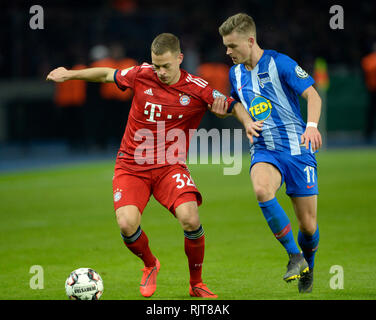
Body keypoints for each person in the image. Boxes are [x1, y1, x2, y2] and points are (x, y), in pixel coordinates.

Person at [46, 33, 254, 299]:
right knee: (126, 225)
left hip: (170, 168)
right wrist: (69, 74)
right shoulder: (142, 74)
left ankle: (196, 283)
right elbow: (106, 75)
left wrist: (242, 120)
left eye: (166, 66)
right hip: (131, 165)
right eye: (157, 66)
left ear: (179, 58)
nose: (161, 72)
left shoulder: (197, 87)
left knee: (190, 219)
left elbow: (231, 105)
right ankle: (150, 264)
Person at [210, 13, 322, 293]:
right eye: (225, 46)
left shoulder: (280, 63)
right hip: (264, 148)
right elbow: (235, 102)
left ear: (250, 40)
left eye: (232, 46)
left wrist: (311, 127)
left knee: (308, 226)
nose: (228, 52)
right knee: (262, 191)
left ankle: (307, 262)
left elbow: (313, 95)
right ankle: (294, 256)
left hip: (298, 150)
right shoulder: (234, 73)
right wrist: (242, 119)